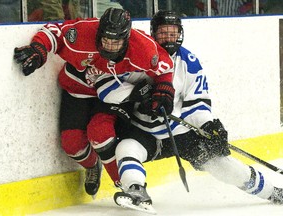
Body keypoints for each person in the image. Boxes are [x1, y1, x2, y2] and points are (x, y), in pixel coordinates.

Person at [106, 10, 283, 212]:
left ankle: (273, 192)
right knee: (126, 149)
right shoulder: (137, 55)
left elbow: (196, 103)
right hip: (144, 132)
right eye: (163, 33)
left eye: (172, 33)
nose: (168, 38)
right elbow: (107, 88)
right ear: (153, 33)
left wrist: (209, 125)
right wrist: (134, 94)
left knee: (224, 165)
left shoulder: (188, 61)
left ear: (180, 33)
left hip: (181, 133)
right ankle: (136, 191)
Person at [13, 7, 174, 198]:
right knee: (72, 143)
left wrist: (164, 89)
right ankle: (92, 165)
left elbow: (165, 68)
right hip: (77, 90)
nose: (109, 47)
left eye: (116, 43)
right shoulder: (82, 33)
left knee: (100, 133)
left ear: (127, 38)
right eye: (105, 40)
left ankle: (128, 188)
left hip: (113, 93)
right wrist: (39, 49)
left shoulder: (143, 48)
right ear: (99, 34)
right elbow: (52, 32)